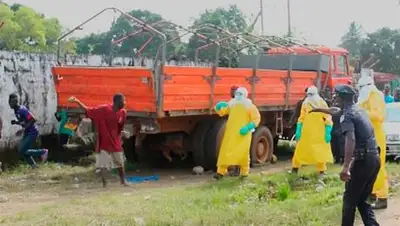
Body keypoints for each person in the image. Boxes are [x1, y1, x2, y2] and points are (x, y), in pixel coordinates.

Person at [315, 84, 380, 226]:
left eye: (335, 95)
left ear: (341, 98)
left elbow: (350, 139)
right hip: (374, 159)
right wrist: (319, 110)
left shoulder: (348, 116)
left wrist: (345, 167)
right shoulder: (357, 110)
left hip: (363, 161)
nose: (333, 97)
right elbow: (336, 111)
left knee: (349, 201)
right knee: (362, 200)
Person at [68, 93, 128, 188]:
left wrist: (121, 135)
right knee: (103, 164)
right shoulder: (104, 109)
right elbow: (88, 110)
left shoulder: (123, 112)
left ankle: (123, 182)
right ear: (116, 102)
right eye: (123, 101)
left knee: (120, 163)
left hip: (115, 142)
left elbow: (120, 127)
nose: (124, 103)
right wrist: (77, 101)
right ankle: (105, 184)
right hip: (103, 142)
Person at [213, 87, 261, 180]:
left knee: (243, 154)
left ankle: (244, 173)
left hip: (243, 135)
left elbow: (256, 119)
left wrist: (248, 128)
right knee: (225, 152)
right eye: (237, 94)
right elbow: (222, 112)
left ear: (245, 95)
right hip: (230, 133)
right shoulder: (232, 104)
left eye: (240, 94)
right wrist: (218, 106)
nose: (238, 96)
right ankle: (220, 173)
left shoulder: (250, 106)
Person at [356, 75, 388, 209]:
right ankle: (373, 193)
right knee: (369, 167)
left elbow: (378, 115)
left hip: (376, 136)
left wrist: (362, 112)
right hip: (368, 136)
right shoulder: (366, 97)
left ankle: (382, 197)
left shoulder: (374, 95)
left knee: (377, 167)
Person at [290, 86, 333, 176]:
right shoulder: (305, 103)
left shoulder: (322, 103)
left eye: (311, 94)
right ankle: (295, 169)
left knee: (320, 151)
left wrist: (328, 130)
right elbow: (301, 117)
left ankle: (322, 171)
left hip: (319, 131)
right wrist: (299, 129)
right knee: (300, 149)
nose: (310, 96)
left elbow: (328, 117)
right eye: (308, 94)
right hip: (306, 132)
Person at [9, 93, 48, 168]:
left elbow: (33, 119)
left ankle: (43, 152)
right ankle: (33, 165)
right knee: (22, 150)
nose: (11, 104)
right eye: (10, 102)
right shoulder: (16, 111)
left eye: (12, 102)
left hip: (32, 132)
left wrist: (24, 128)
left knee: (22, 150)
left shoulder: (22, 110)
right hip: (27, 132)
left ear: (16, 102)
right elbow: (25, 121)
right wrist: (16, 122)